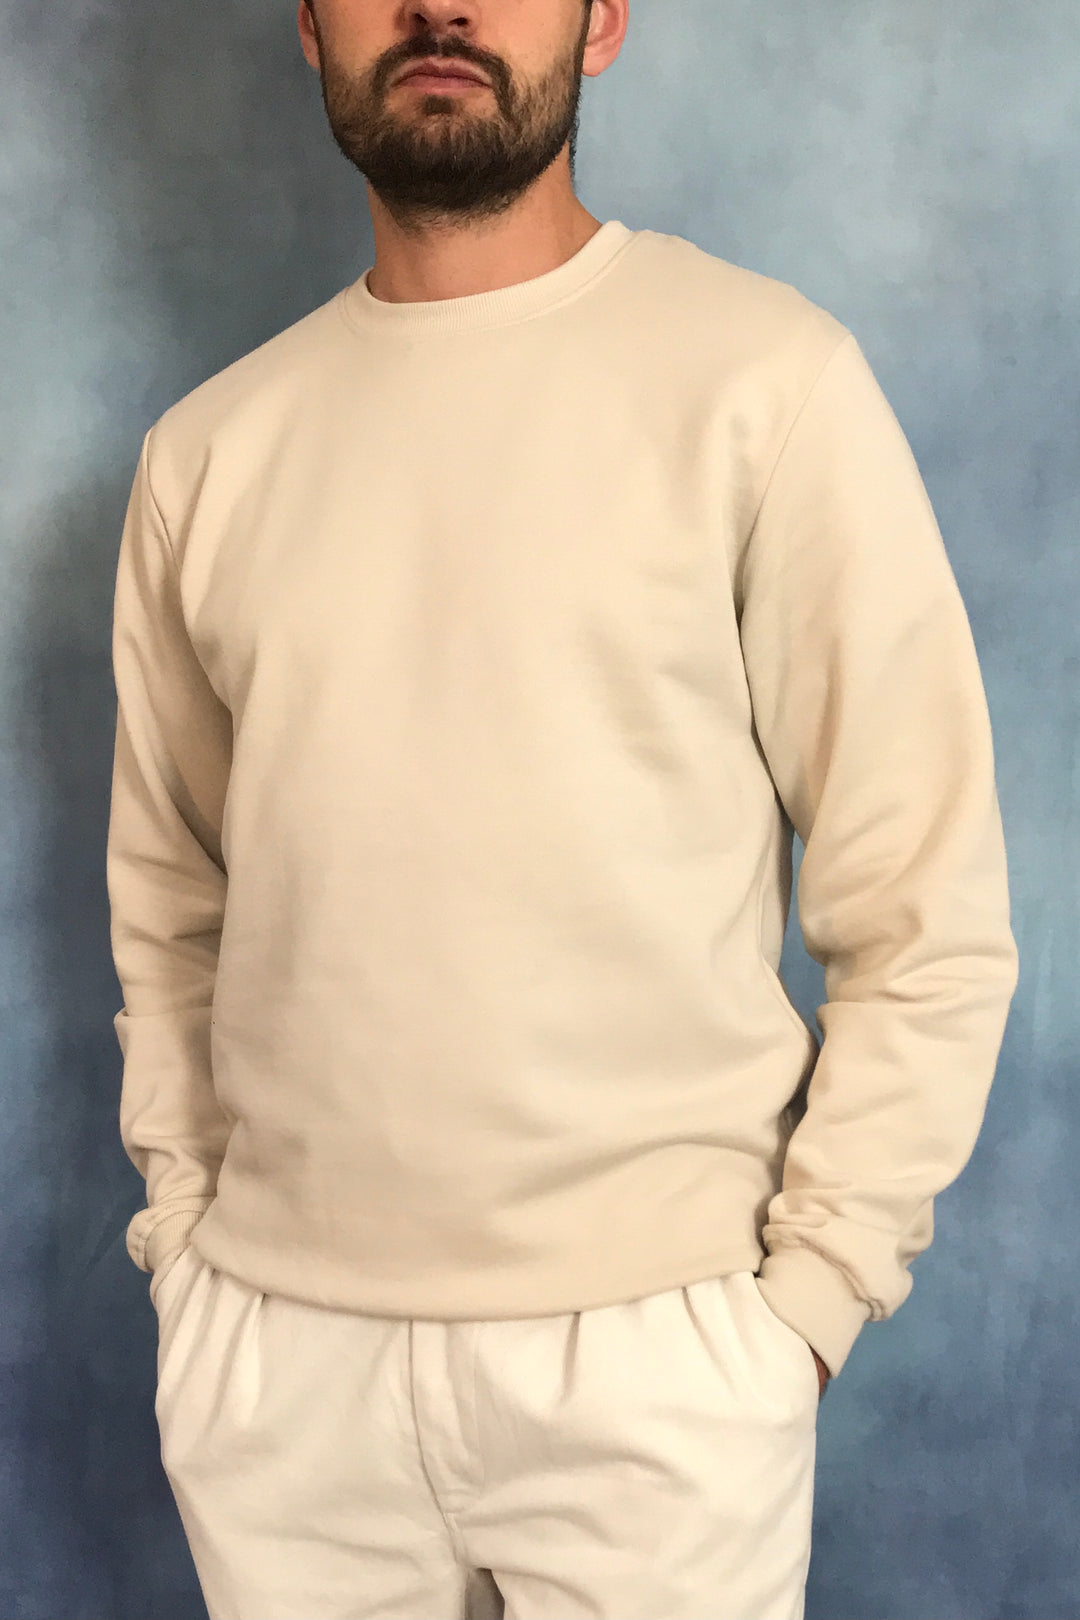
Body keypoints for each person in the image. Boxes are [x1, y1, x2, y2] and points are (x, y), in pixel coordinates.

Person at [105, 1, 1020, 1617]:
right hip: (279, 1378)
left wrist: (806, 1304)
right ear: (309, 24)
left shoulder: (767, 387)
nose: (441, 7)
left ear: (603, 22)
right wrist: (187, 1248)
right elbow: (171, 913)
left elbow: (924, 906)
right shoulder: (207, 458)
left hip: (662, 1370)